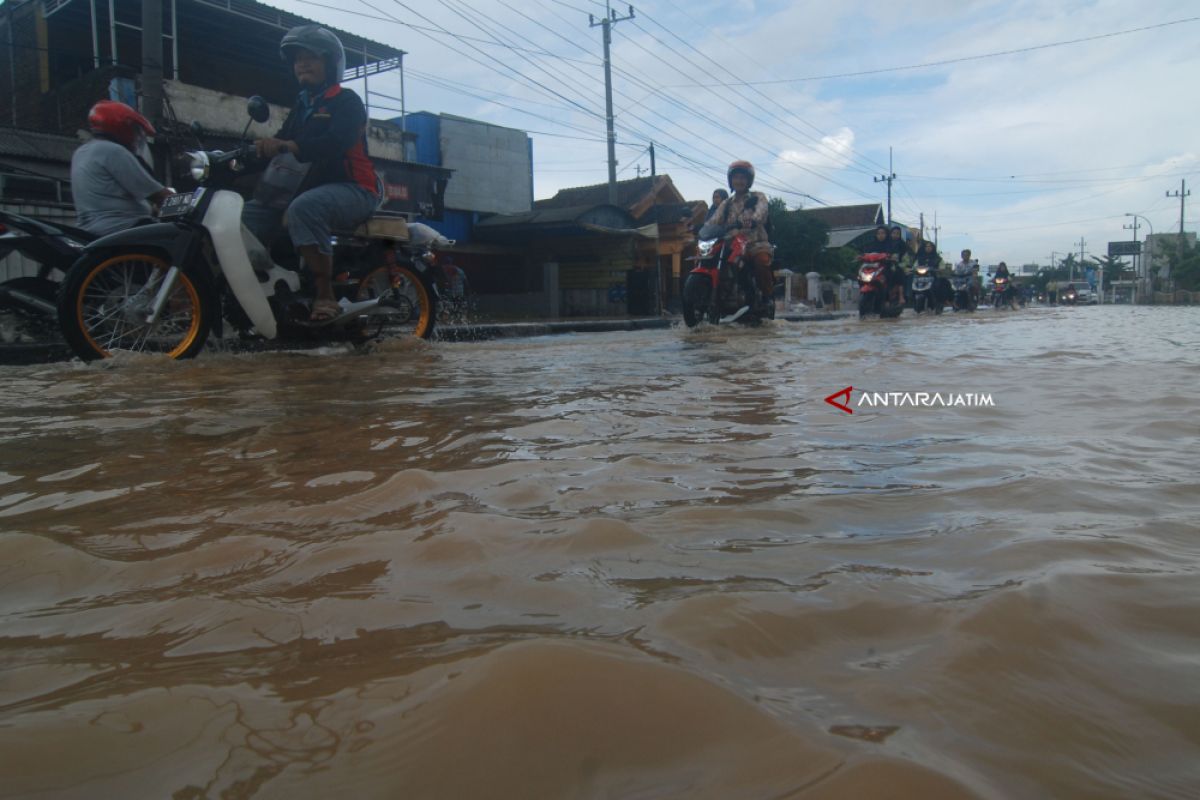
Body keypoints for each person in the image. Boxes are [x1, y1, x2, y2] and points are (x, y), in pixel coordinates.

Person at [241, 25, 379, 322]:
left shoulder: (346, 101)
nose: (302, 63)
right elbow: (280, 142)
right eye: (298, 59)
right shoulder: (301, 105)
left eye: (311, 57)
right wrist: (245, 154)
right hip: (307, 189)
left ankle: (325, 294)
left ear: (329, 64)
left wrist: (290, 145)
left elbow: (336, 142)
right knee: (243, 217)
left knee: (305, 208)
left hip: (355, 189)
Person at [70, 101, 173, 237]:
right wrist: (188, 203)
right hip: (123, 227)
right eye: (135, 130)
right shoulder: (113, 151)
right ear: (123, 127)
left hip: (92, 229)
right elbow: (157, 194)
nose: (136, 137)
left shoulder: (82, 152)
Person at [708, 160, 773, 309]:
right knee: (715, 261)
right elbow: (714, 221)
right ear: (731, 180)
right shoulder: (726, 204)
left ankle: (766, 297)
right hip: (732, 246)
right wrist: (700, 230)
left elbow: (762, 212)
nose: (739, 181)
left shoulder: (758, 197)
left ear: (749, 180)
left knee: (761, 261)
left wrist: (753, 220)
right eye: (736, 177)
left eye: (743, 178)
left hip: (755, 244)